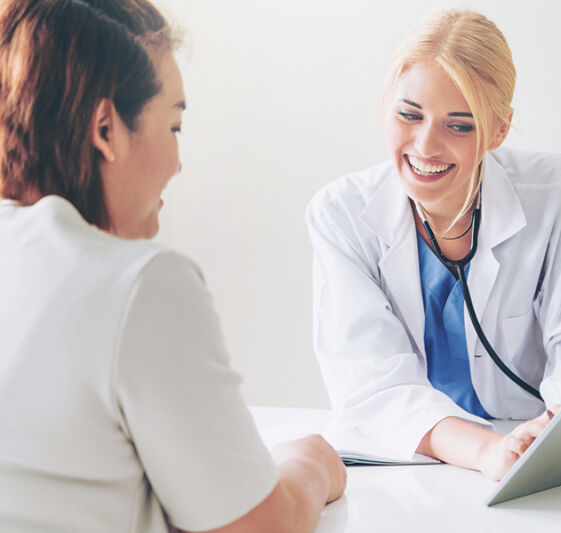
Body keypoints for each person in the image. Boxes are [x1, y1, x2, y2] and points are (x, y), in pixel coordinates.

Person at [0, 1, 345, 531]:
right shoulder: (138, 285)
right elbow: (257, 527)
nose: (178, 163)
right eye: (175, 126)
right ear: (105, 130)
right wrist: (309, 466)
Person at [305, 8, 561, 482]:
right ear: (384, 107)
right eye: (408, 114)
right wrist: (490, 451)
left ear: (500, 129)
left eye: (459, 125)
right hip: (409, 467)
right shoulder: (340, 214)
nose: (425, 145)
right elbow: (371, 384)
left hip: (538, 467)